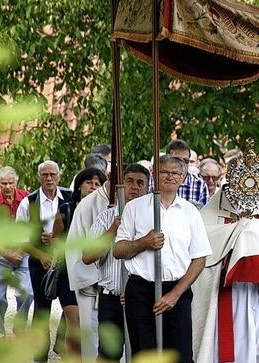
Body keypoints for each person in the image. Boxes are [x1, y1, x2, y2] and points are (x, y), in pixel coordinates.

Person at [191, 148, 259, 363]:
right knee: (230, 346)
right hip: (226, 290)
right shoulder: (210, 212)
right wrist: (240, 231)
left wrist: (250, 229)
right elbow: (205, 241)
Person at [114, 154, 211, 362]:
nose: (170, 176)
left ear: (183, 177)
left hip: (177, 291)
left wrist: (175, 294)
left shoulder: (190, 212)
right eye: (164, 172)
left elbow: (200, 258)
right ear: (154, 175)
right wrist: (144, 243)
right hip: (141, 290)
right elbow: (118, 250)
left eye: (175, 173)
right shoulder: (135, 208)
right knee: (144, 354)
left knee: (181, 354)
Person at [82, 163, 150, 361]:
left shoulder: (153, 218)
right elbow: (88, 256)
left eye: (140, 183)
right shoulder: (107, 216)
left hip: (142, 299)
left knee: (141, 352)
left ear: (147, 188)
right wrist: (114, 228)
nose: (134, 187)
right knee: (108, 354)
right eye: (129, 181)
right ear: (121, 185)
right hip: (111, 298)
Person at [15, 160, 72, 362]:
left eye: (52, 174)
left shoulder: (70, 198)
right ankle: (40, 356)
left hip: (66, 261)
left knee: (70, 308)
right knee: (42, 310)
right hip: (39, 262)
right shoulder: (28, 203)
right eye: (45, 175)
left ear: (59, 176)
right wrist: (41, 256)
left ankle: (65, 348)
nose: (49, 178)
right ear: (39, 177)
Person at [52, 167, 107, 356]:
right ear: (79, 185)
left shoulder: (104, 210)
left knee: (92, 324)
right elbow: (55, 239)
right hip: (69, 272)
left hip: (95, 275)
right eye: (88, 182)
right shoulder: (67, 208)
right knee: (75, 323)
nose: (93, 187)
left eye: (97, 184)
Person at [66, 172, 111, 359]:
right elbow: (75, 249)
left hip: (127, 290)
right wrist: (94, 280)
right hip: (93, 286)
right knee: (92, 337)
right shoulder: (88, 205)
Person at [0, 166, 31, 337]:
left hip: (23, 250)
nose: (7, 187)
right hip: (1, 252)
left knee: (28, 293)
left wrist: (20, 250)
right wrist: (7, 254)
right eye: (4, 183)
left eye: (11, 183)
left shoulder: (26, 198)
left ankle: (20, 324)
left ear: (16, 182)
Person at [162, 139, 210, 208]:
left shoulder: (199, 184)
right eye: (177, 160)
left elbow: (203, 214)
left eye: (186, 161)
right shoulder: (156, 180)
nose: (182, 164)